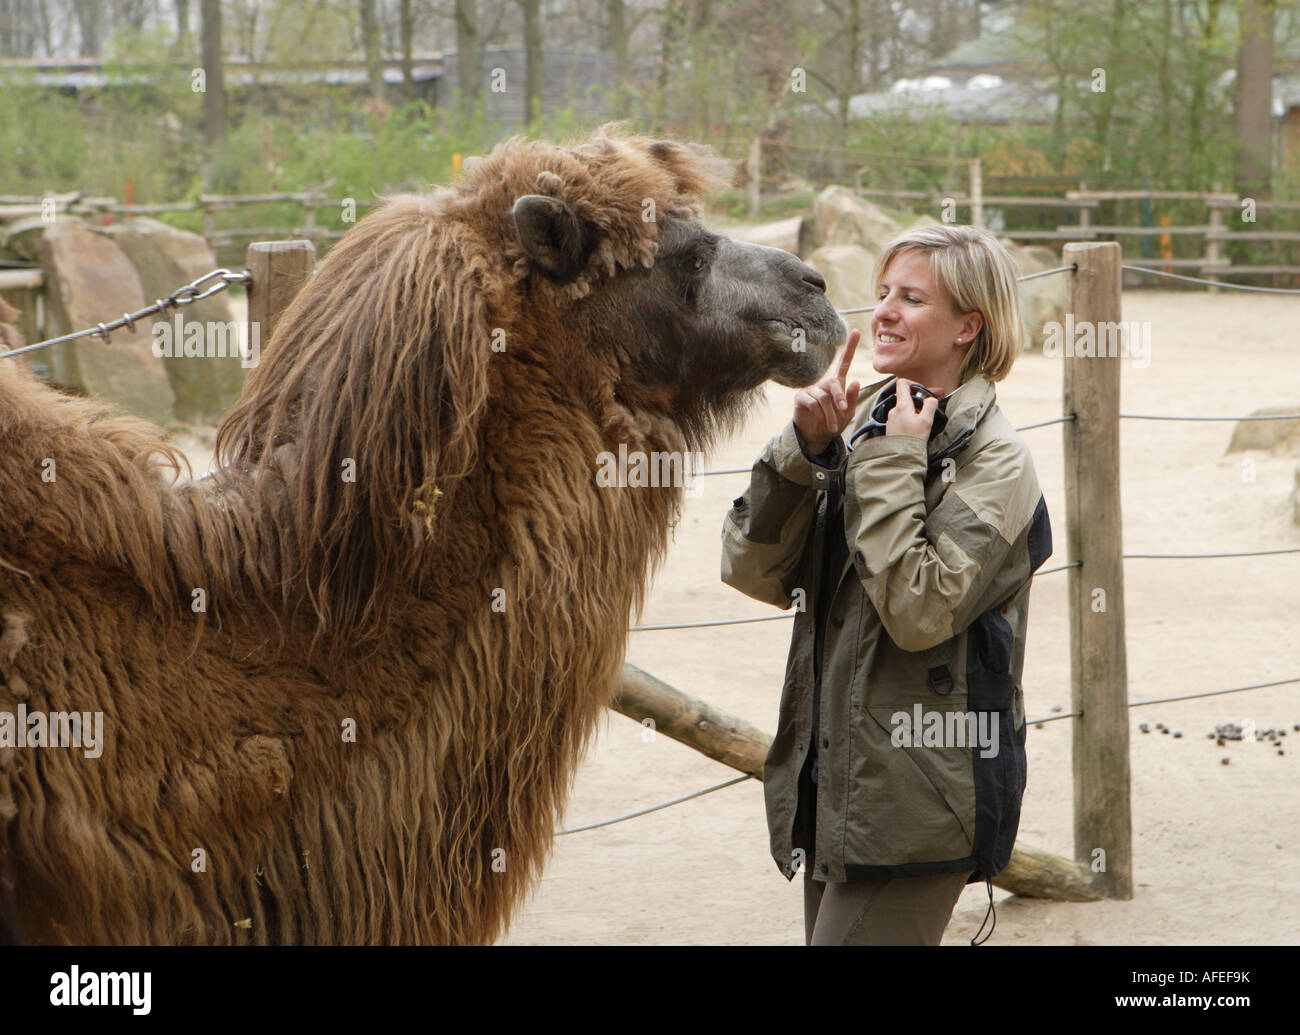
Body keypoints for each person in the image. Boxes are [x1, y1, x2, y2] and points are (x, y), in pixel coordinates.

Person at [721, 224, 1053, 945]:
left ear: (971, 325)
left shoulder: (998, 462)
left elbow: (919, 609)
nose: (884, 312)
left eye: (911, 297)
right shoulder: (862, 422)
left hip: (920, 804)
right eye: (880, 294)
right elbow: (751, 569)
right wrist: (802, 452)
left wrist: (894, 464)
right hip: (835, 785)